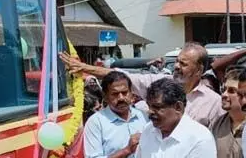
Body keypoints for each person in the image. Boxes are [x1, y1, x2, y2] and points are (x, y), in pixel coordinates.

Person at [61, 45, 223, 127]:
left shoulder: (214, 102)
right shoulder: (160, 83)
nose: (176, 66)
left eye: (183, 64)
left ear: (199, 70)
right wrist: (84, 67)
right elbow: (120, 76)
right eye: (177, 62)